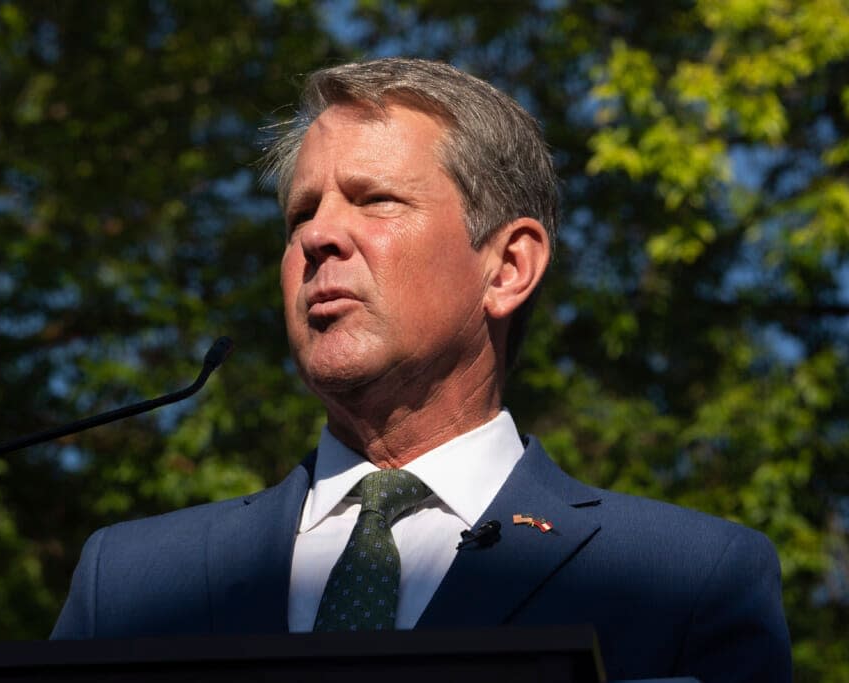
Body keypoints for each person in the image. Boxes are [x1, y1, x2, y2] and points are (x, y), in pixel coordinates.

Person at [52, 58, 791, 682]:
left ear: (507, 266)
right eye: (300, 214)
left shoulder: (684, 580)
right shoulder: (130, 582)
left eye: (375, 201)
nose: (318, 236)